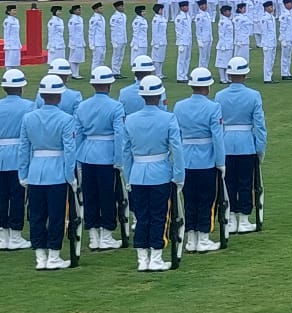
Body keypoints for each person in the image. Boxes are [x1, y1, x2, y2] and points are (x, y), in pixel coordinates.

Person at [122, 75, 183, 271]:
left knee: (141, 217)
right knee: (158, 216)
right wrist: (178, 175)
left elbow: (126, 152)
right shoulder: (168, 118)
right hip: (160, 174)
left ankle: (142, 258)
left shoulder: (130, 120)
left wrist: (129, 177)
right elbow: (177, 148)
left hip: (138, 174)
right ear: (159, 95)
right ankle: (155, 257)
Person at [19, 75, 78, 270]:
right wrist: (71, 176)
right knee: (56, 215)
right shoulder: (67, 119)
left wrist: (23, 173)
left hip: (36, 171)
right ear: (59, 96)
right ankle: (53, 255)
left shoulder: (29, 118)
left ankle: (40, 256)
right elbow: (69, 151)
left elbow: (24, 148)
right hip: (57, 173)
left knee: (36, 215)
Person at [173, 67, 225, 253]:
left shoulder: (179, 106)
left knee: (189, 200)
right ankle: (202, 238)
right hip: (206, 161)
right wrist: (221, 162)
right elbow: (217, 138)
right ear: (208, 87)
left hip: (186, 160)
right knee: (205, 200)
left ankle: (191, 238)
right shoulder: (213, 107)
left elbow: (176, 136)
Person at [74, 66, 126, 251]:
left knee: (90, 195)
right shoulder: (116, 106)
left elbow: (78, 134)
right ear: (109, 85)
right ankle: (106, 234)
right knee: (107, 196)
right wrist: (119, 161)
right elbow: (120, 136)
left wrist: (78, 157)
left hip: (87, 154)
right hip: (107, 156)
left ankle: (93, 235)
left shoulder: (83, 106)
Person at [215, 57, 267, 234]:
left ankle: (231, 219)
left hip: (226, 143)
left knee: (229, 183)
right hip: (246, 144)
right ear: (245, 75)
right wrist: (260, 148)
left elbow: (218, 124)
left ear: (229, 75)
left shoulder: (220, 96)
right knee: (246, 182)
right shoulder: (253, 95)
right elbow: (259, 126)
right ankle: (243, 219)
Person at [0, 69, 34, 251]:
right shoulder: (29, 106)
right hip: (18, 156)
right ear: (21, 87)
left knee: (1, 196)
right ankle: (15, 235)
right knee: (17, 196)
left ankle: (2, 234)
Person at [215, 5, 235, 84]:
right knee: (221, 62)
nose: (230, 13)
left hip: (229, 44)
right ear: (224, 12)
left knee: (227, 62)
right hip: (223, 45)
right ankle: (222, 78)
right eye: (228, 11)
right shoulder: (223, 21)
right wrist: (222, 45)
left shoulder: (228, 20)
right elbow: (221, 34)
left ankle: (226, 77)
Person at [258, 1, 277, 84]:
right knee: (268, 61)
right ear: (265, 8)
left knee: (272, 61)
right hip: (267, 43)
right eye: (269, 7)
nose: (271, 8)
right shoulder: (264, 18)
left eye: (272, 7)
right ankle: (267, 78)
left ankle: (270, 76)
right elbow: (264, 31)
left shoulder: (271, 17)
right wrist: (264, 43)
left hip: (272, 42)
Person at [278, 0, 292, 81]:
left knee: (289, 57)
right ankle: (284, 73)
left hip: (291, 38)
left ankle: (288, 72)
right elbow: (282, 28)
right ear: (286, 5)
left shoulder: (291, 13)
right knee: (285, 57)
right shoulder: (284, 15)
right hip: (286, 38)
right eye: (290, 3)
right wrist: (283, 39)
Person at [174, 1, 193, 82]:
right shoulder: (179, 18)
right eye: (185, 6)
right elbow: (178, 31)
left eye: (187, 6)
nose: (187, 8)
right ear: (181, 8)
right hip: (183, 41)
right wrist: (180, 43)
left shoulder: (188, 16)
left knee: (187, 59)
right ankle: (180, 76)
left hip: (188, 40)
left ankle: (184, 75)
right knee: (181, 59)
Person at [109, 1, 128, 78]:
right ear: (117, 8)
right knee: (116, 56)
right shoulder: (114, 17)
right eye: (121, 6)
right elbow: (113, 29)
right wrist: (113, 41)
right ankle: (114, 72)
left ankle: (118, 71)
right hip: (117, 39)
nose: (123, 8)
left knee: (121, 56)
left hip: (123, 38)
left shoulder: (123, 15)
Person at [67, 5, 85, 79]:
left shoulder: (80, 19)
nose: (79, 11)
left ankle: (76, 73)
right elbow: (71, 32)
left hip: (80, 41)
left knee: (78, 59)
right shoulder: (72, 20)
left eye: (80, 10)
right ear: (74, 11)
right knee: (73, 58)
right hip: (74, 41)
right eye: (78, 10)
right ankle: (73, 73)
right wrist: (72, 43)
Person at [194, 0, 213, 70]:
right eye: (204, 5)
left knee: (207, 56)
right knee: (203, 57)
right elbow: (198, 29)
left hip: (208, 38)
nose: (205, 6)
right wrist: (199, 40)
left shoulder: (207, 14)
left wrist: (211, 37)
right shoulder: (199, 16)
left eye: (206, 4)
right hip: (203, 39)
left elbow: (209, 28)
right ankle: (201, 71)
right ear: (200, 6)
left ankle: (206, 70)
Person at [3, 5, 20, 70]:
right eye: (13, 10)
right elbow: (6, 33)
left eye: (15, 10)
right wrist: (7, 44)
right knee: (9, 63)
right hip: (10, 45)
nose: (15, 12)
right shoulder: (7, 21)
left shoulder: (16, 20)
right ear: (9, 12)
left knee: (16, 62)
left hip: (16, 44)